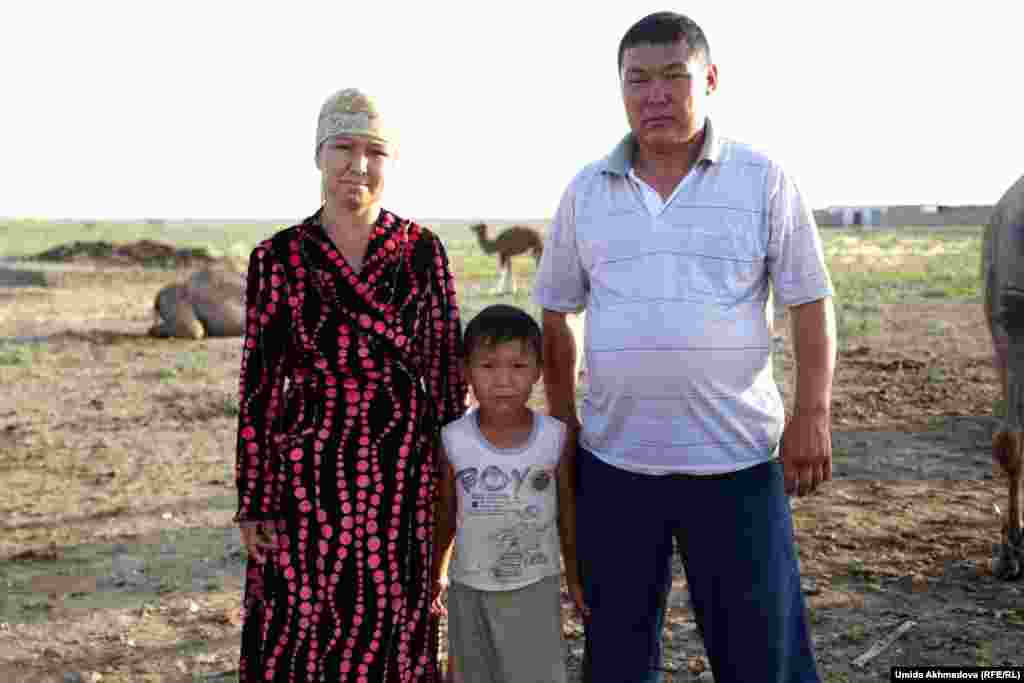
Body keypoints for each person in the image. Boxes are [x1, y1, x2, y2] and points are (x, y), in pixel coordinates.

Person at [533, 11, 837, 683]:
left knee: (763, 659)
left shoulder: (763, 179)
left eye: (675, 75)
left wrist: (812, 411)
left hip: (737, 465)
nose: (656, 95)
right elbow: (558, 313)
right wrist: (565, 422)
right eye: (637, 80)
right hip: (616, 465)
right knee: (616, 655)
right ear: (620, 90)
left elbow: (809, 300)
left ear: (712, 79)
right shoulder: (587, 190)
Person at [233, 87, 468, 682]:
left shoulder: (423, 252)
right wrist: (255, 499)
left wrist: (454, 483)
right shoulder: (278, 258)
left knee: (395, 628)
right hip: (305, 481)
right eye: (343, 146)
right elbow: (260, 384)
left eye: (375, 151)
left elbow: (444, 378)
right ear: (318, 154)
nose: (357, 165)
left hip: (402, 479)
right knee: (300, 630)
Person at [429, 304, 587, 683]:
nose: (503, 380)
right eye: (487, 366)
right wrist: (438, 573)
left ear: (538, 371)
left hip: (536, 584)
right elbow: (446, 514)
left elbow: (567, 511)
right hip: (469, 586)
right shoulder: (453, 439)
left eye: (517, 367)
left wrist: (575, 580)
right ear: (466, 372)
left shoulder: (554, 438)